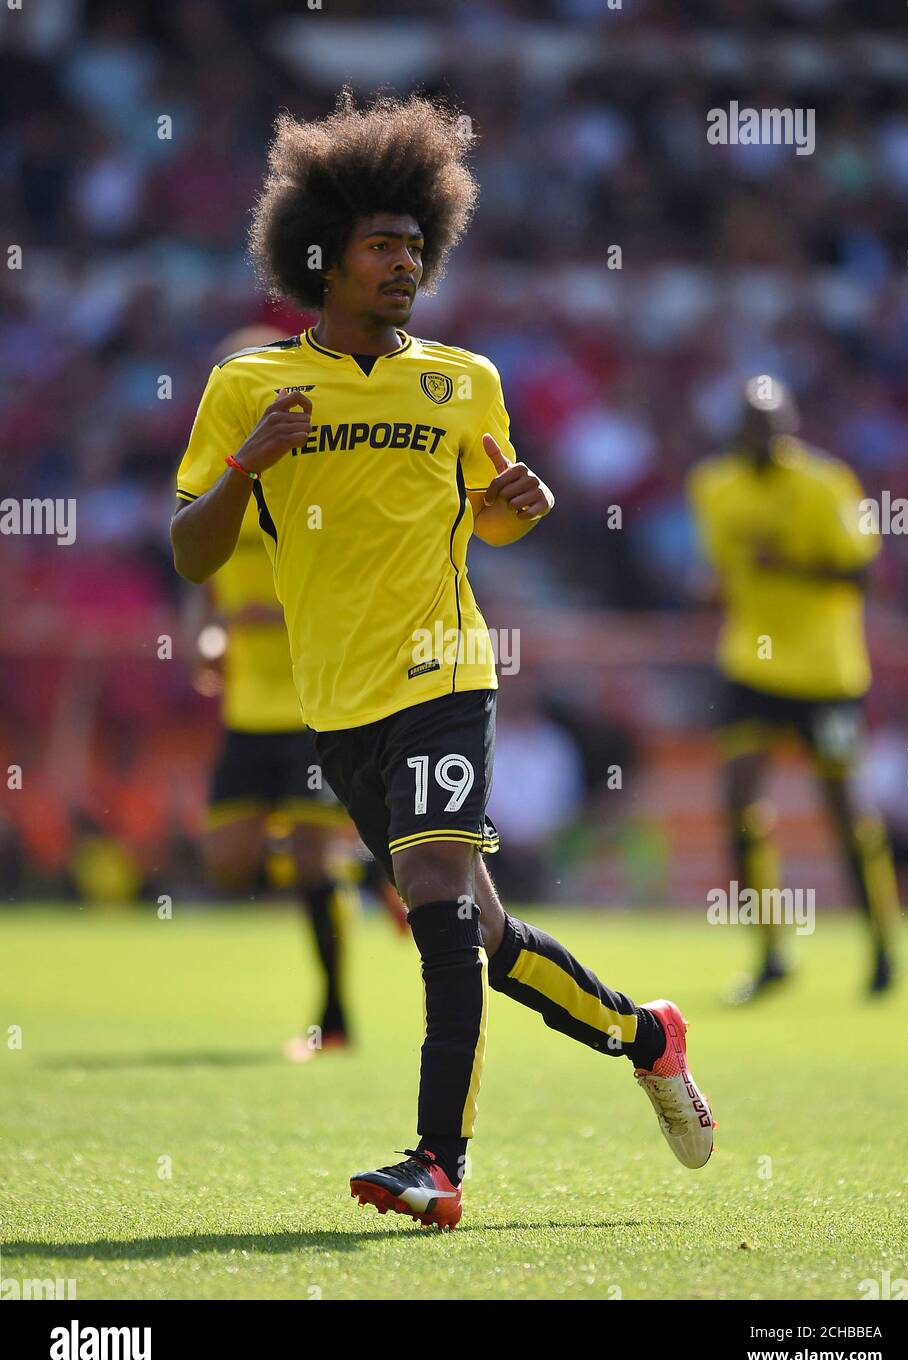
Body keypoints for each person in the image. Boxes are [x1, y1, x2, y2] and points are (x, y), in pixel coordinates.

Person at [171, 91, 714, 1230]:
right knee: (484, 931)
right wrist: (246, 467)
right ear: (321, 255)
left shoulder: (461, 380)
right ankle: (643, 1034)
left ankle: (437, 1159)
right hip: (335, 700)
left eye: (418, 244)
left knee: (427, 894)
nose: (404, 263)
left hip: (443, 671)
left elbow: (495, 513)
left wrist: (520, 500)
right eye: (382, 245)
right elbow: (190, 547)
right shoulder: (249, 387)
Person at [186, 325, 407, 1060]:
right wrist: (210, 639)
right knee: (228, 862)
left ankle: (334, 1020)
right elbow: (203, 584)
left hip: (314, 704)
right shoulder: (224, 486)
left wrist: (268, 615)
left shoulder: (317, 487)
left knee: (308, 859)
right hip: (249, 708)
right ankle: (369, 869)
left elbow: (349, 587)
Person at [688, 375, 900, 1003]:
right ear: (737, 430)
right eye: (754, 427)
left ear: (791, 427)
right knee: (739, 804)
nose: (764, 438)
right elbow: (726, 569)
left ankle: (883, 944)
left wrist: (789, 568)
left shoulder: (827, 484)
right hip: (752, 668)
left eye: (773, 426)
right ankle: (773, 952)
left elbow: (867, 575)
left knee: (844, 812)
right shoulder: (712, 486)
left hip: (827, 674)